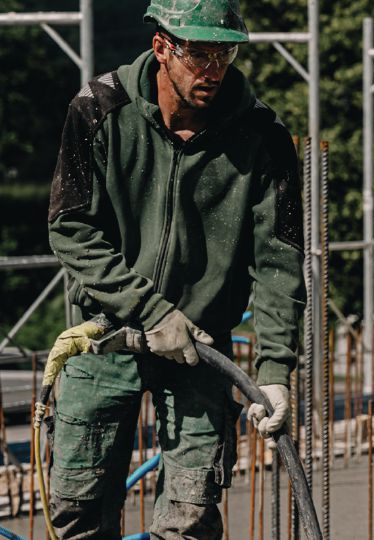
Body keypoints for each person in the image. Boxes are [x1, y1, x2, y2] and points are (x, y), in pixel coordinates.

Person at [44, 0, 304, 537]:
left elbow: (279, 264)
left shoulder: (263, 139)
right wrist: (150, 311)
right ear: (161, 46)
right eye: (198, 54)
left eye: (224, 54)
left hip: (200, 351)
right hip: (104, 341)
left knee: (189, 519)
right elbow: (71, 228)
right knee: (79, 513)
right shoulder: (99, 110)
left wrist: (276, 373)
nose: (213, 70)